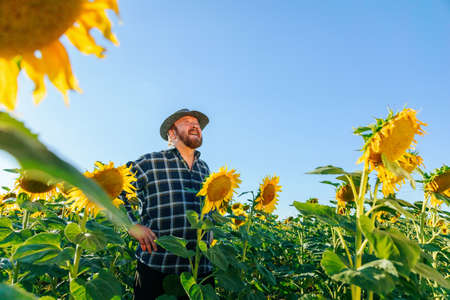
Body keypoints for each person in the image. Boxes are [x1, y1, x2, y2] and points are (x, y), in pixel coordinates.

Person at [123, 108, 212, 300]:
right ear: (172, 133)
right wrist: (131, 224)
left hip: (200, 271)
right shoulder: (151, 162)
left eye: (197, 124)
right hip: (158, 266)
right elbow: (117, 188)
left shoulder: (205, 169)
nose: (195, 125)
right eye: (188, 122)